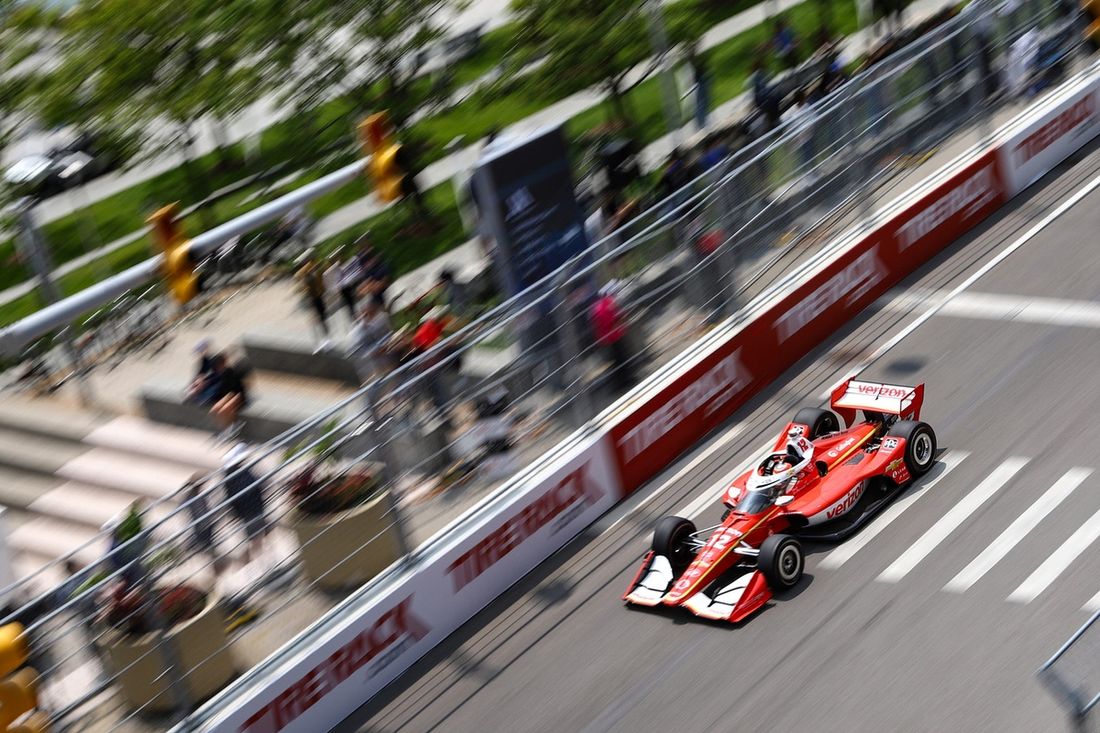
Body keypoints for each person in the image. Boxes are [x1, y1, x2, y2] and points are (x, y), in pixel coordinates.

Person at [222, 444, 270, 564]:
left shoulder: (230, 475)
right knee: (256, 538)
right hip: (251, 509)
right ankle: (250, 561)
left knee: (257, 536)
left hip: (248, 510)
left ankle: (251, 559)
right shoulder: (239, 474)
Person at [590, 284, 632, 391]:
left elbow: (617, 316)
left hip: (610, 336)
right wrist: (620, 320)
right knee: (619, 359)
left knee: (619, 359)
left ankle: (625, 380)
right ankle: (622, 382)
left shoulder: (602, 305)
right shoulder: (604, 305)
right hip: (612, 336)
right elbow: (612, 320)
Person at [348, 295, 394, 382]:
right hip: (371, 366)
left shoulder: (382, 319)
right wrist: (375, 350)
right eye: (365, 311)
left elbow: (388, 334)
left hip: (387, 360)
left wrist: (386, 344)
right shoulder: (357, 330)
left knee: (391, 379)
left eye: (372, 309)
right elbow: (357, 350)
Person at [183, 481, 226, 575]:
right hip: (202, 527)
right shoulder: (194, 498)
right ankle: (216, 569)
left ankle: (216, 569)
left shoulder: (193, 497)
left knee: (209, 548)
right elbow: (200, 513)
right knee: (208, 548)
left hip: (204, 526)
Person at [207, 352, 249, 434]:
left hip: (238, 395)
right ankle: (224, 429)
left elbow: (237, 389)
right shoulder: (221, 373)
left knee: (223, 410)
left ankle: (233, 426)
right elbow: (221, 389)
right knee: (214, 410)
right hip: (229, 395)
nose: (217, 368)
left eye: (218, 366)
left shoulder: (231, 372)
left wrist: (227, 399)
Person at [295, 257, 330, 342]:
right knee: (318, 316)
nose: (311, 266)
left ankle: (325, 332)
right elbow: (302, 287)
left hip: (318, 296)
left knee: (322, 314)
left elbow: (320, 282)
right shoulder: (305, 276)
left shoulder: (314, 274)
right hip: (313, 298)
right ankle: (322, 333)